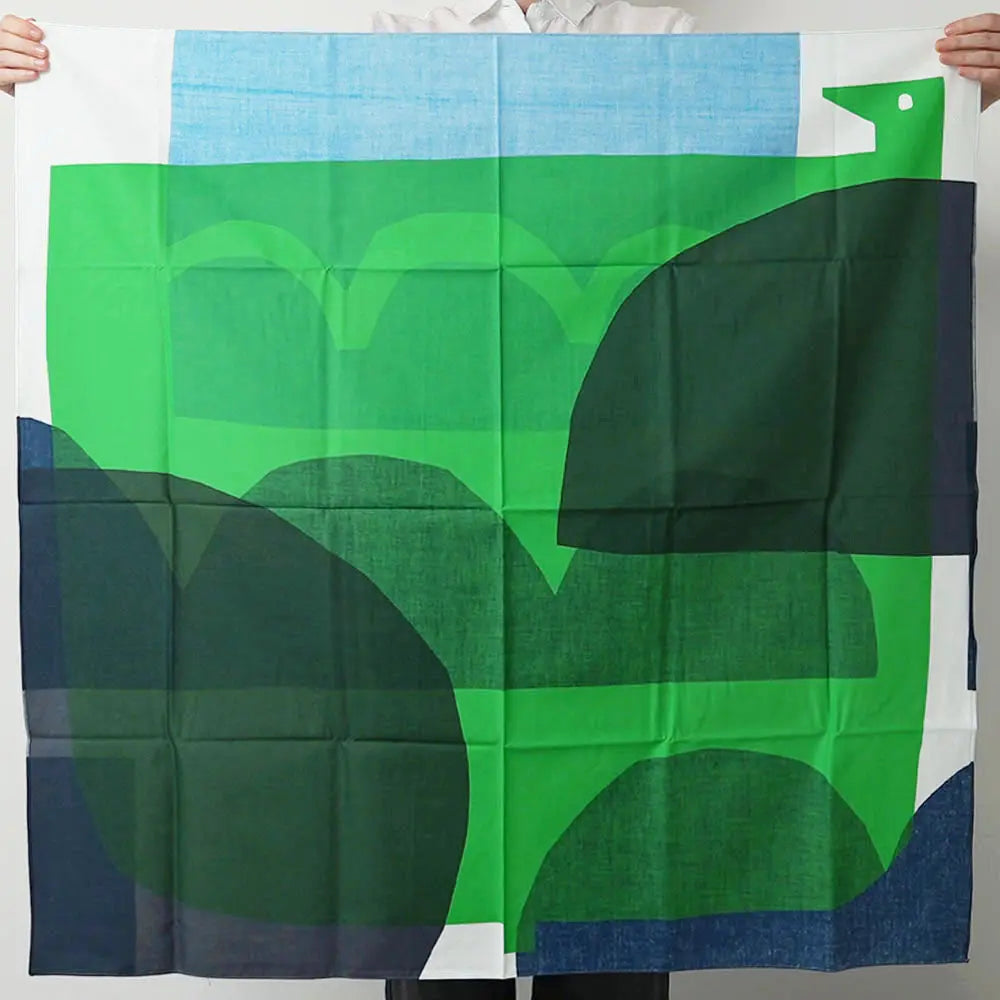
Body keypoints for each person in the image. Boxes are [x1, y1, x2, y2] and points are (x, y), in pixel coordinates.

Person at [0, 2, 994, 999]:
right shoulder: (374, 53)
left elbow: (809, 186)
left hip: (637, 597)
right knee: (438, 938)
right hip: (415, 570)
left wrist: (953, 92)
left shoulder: (673, 47)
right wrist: (55, 84)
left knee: (614, 925)